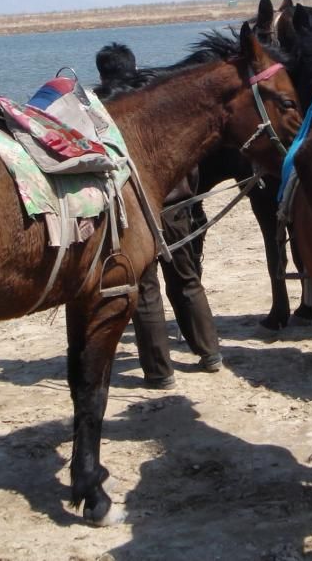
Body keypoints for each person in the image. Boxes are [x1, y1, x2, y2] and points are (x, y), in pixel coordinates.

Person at [93, 42, 223, 388]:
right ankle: (209, 353)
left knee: (145, 290)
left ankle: (159, 372)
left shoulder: (101, 110)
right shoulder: (159, 100)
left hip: (135, 211)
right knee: (187, 279)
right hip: (177, 205)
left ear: (102, 73)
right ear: (134, 68)